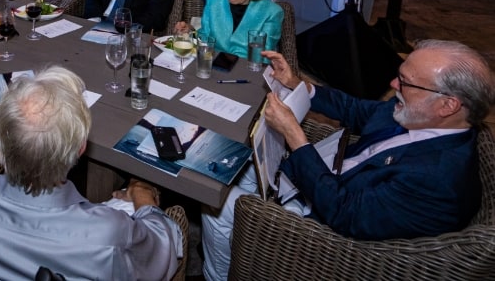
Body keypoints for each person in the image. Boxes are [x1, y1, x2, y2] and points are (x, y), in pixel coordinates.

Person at [201, 42, 495, 281]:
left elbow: (343, 214)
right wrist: (297, 84)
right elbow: (354, 109)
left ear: (448, 105)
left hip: (321, 221)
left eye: (405, 83)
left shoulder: (438, 181)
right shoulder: (419, 115)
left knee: (219, 199)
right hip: (324, 173)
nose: (393, 85)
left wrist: (294, 135)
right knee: (232, 161)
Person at [0, 66, 183, 280]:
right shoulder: (106, 234)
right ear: (81, 148)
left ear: (1, 144)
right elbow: (164, 248)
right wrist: (143, 195)